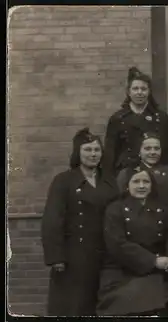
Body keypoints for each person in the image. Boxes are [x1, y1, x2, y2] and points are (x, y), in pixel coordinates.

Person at [41, 128, 119, 316]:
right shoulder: (64, 181)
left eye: (96, 150)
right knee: (73, 305)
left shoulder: (109, 181)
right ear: (78, 153)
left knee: (100, 304)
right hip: (73, 256)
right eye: (87, 150)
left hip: (105, 253)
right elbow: (52, 218)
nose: (93, 155)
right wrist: (56, 257)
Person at [96, 168, 168, 316]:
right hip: (120, 271)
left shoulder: (161, 210)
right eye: (136, 181)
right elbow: (117, 244)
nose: (141, 186)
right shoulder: (115, 209)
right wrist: (153, 260)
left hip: (153, 273)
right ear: (127, 185)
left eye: (146, 181)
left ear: (152, 186)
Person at [102, 67, 168, 176]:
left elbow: (167, 149)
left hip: (156, 173)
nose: (139, 92)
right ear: (128, 92)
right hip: (126, 172)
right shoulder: (118, 118)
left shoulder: (161, 117)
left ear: (149, 92)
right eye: (135, 89)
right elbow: (110, 153)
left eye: (143, 89)